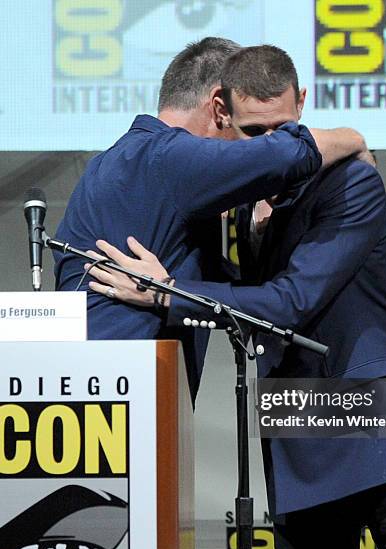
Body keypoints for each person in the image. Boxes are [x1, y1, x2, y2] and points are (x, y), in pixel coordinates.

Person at [85, 46, 386, 549]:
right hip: (302, 443)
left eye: (285, 129)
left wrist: (167, 294)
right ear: (222, 116)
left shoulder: (353, 184)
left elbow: (290, 302)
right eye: (255, 133)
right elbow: (241, 293)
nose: (272, 149)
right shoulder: (235, 205)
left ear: (303, 104)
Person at [54, 37, 367, 400]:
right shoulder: (171, 157)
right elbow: (286, 155)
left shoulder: (120, 161)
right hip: (116, 389)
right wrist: (354, 138)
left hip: (92, 385)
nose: (255, 144)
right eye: (247, 127)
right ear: (219, 108)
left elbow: (227, 289)